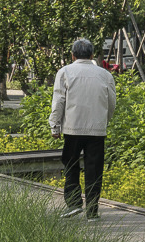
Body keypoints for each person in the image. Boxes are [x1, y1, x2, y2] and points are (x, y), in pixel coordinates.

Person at [49, 38, 117, 221]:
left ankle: (73, 203)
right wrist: (104, 121)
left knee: (71, 165)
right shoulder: (105, 75)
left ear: (73, 55)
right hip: (97, 130)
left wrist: (55, 126)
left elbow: (59, 102)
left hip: (72, 128)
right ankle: (93, 212)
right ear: (92, 55)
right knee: (94, 169)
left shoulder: (65, 72)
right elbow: (111, 103)